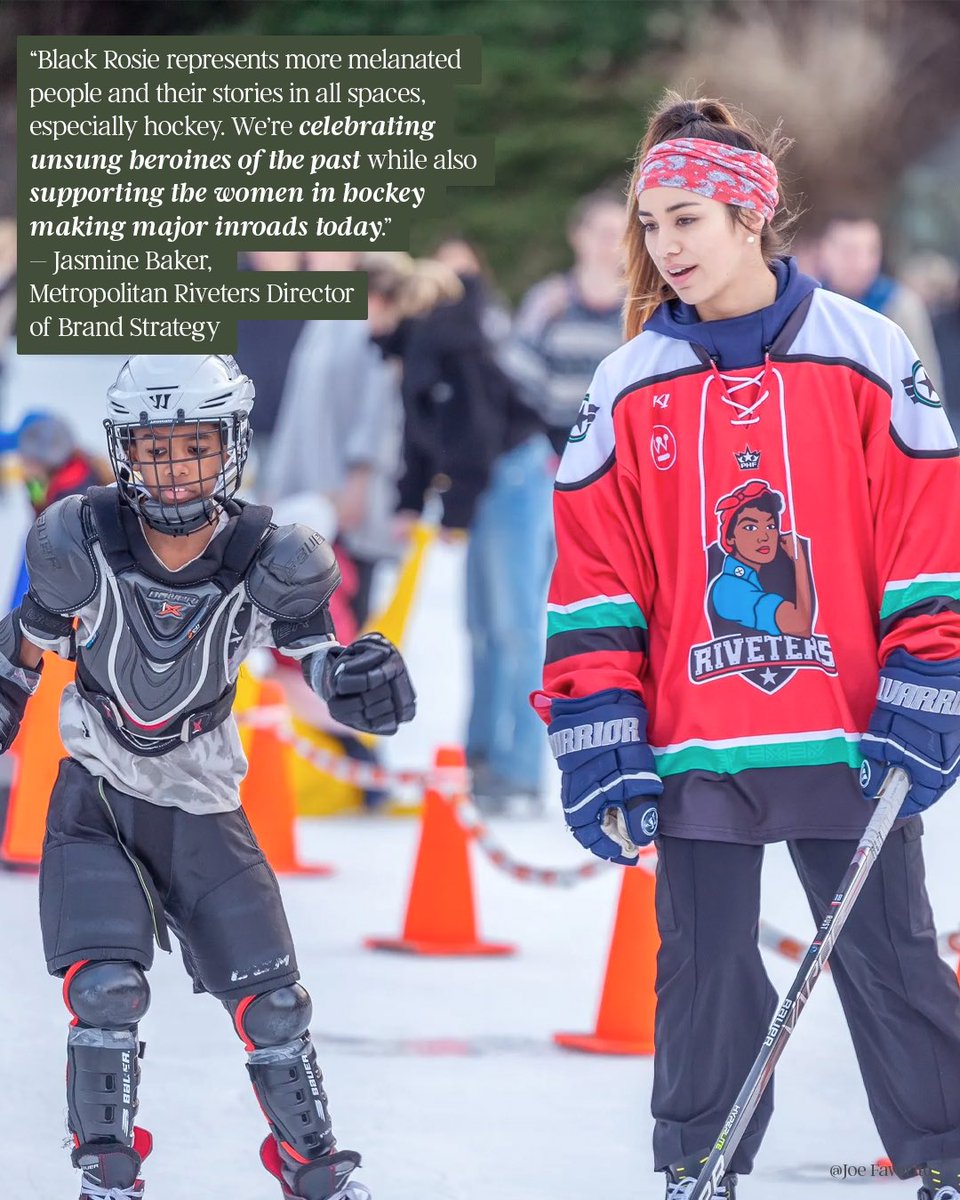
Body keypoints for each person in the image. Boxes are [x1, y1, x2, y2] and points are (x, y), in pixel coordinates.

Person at [534, 93, 960, 1200]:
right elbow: (595, 576)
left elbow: (930, 532)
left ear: (748, 219)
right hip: (695, 738)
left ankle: (949, 1156)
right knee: (705, 973)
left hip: (848, 730)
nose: (666, 247)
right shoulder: (626, 385)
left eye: (687, 221)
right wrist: (598, 731)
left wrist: (929, 681)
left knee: (891, 957)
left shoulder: (869, 352)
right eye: (652, 225)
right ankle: (696, 1167)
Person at [0, 355, 415, 1200]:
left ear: (231, 445)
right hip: (98, 798)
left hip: (201, 800)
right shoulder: (79, 535)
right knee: (106, 989)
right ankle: (107, 1172)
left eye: (195, 446)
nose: (176, 469)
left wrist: (356, 685)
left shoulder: (272, 552)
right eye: (155, 449)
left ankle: (311, 1167)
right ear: (124, 451)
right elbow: (26, 642)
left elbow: (314, 656)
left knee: (274, 1007)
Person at [509, 189, 627, 452]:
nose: (612, 245)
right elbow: (518, 380)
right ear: (578, 236)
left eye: (621, 235)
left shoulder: (640, 308)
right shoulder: (546, 302)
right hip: (555, 446)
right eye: (604, 234)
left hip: (618, 445)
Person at [816, 212, 944, 389]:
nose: (861, 263)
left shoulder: (900, 305)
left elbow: (926, 385)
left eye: (871, 251)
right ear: (825, 251)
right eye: (849, 252)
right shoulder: (810, 304)